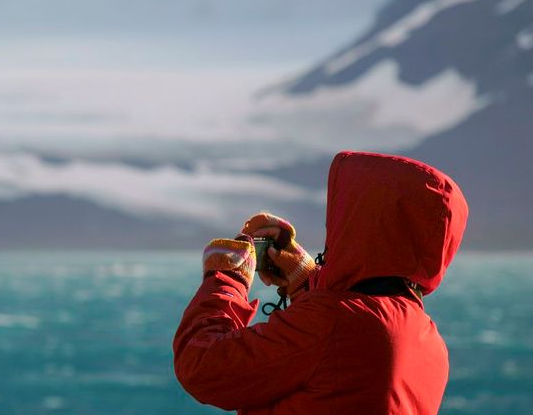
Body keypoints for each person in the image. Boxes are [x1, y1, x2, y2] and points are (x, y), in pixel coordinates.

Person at [173, 151, 468, 415]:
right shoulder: (428, 342)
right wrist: (306, 279)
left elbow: (203, 367)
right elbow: (335, 367)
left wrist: (226, 277)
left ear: (362, 226)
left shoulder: (331, 321)